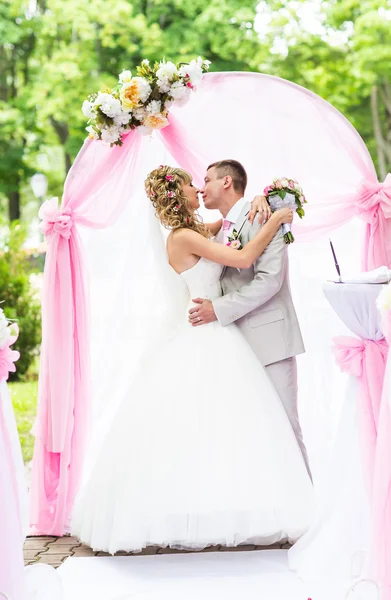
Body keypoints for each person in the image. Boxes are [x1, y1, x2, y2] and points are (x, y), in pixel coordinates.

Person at [71, 165, 314, 555]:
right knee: (202, 427)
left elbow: (230, 225)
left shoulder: (197, 231)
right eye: (189, 184)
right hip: (207, 335)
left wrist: (262, 201)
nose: (197, 189)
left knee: (228, 430)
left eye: (201, 181)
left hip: (222, 336)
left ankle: (240, 507)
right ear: (176, 194)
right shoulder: (183, 237)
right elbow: (244, 255)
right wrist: (281, 218)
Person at [188, 160, 311, 477]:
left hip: (270, 341)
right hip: (235, 346)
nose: (201, 188)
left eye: (207, 180)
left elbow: (270, 280)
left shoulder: (264, 215)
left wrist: (218, 309)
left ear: (226, 182)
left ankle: (305, 513)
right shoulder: (219, 229)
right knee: (253, 434)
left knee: (285, 426)